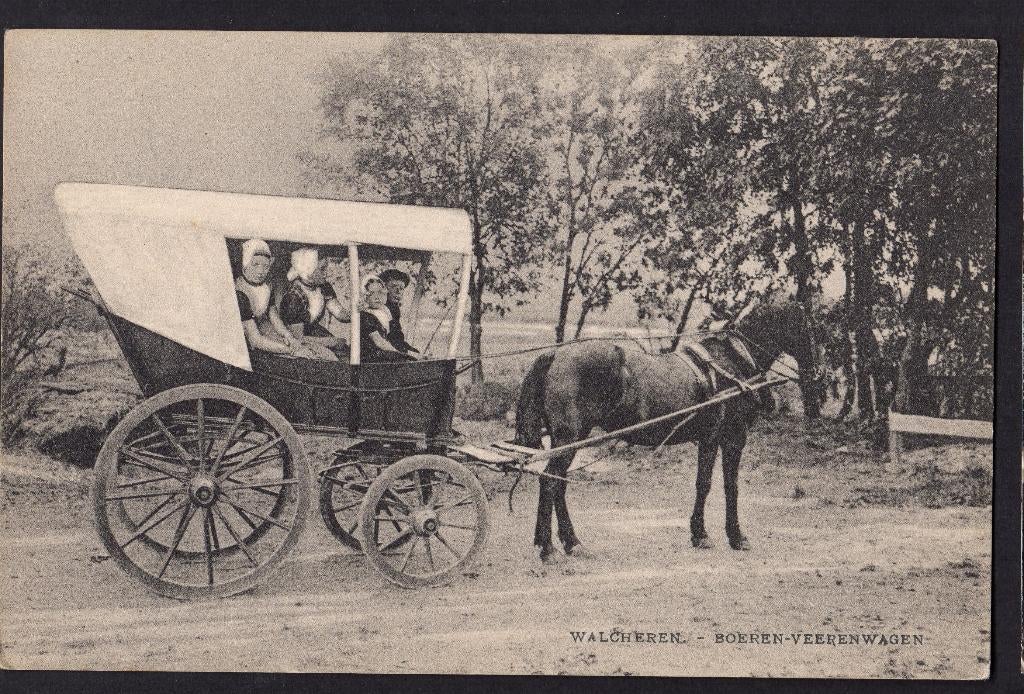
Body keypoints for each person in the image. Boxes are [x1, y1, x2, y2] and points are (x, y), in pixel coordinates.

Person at [234, 239, 313, 358]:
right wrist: (290, 350)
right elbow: (254, 340)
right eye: (255, 265)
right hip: (245, 342)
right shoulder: (239, 292)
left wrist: (288, 336)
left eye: (265, 266)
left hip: (263, 331)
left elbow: (273, 316)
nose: (261, 271)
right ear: (245, 265)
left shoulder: (267, 287)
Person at [279, 247, 352, 360]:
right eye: (322, 269)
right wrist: (331, 341)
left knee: (346, 353)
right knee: (331, 359)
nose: (327, 272)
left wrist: (355, 312)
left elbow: (340, 313)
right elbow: (297, 337)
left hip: (315, 332)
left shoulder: (324, 287)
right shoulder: (293, 297)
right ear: (309, 270)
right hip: (297, 340)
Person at [359, 276, 417, 363]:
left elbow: (392, 336)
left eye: (380, 292)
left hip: (383, 351)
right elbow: (379, 342)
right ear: (365, 297)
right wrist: (400, 354)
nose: (377, 297)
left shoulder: (385, 311)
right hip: (369, 355)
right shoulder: (365, 315)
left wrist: (407, 352)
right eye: (371, 293)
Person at [379, 268, 419, 356]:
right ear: (383, 288)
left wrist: (411, 350)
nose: (398, 291)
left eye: (401, 288)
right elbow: (389, 340)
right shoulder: (379, 308)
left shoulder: (394, 308)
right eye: (393, 287)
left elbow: (397, 337)